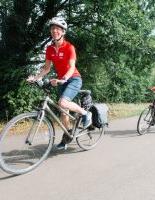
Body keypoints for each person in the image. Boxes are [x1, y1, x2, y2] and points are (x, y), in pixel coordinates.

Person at [27, 17, 92, 150]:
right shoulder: (50, 49)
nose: (54, 31)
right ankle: (67, 135)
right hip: (62, 80)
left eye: (57, 29)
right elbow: (46, 68)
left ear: (63, 32)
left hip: (73, 78)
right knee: (63, 111)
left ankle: (86, 114)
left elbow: (72, 67)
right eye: (52, 28)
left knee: (62, 102)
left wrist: (64, 78)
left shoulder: (69, 47)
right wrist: (35, 78)